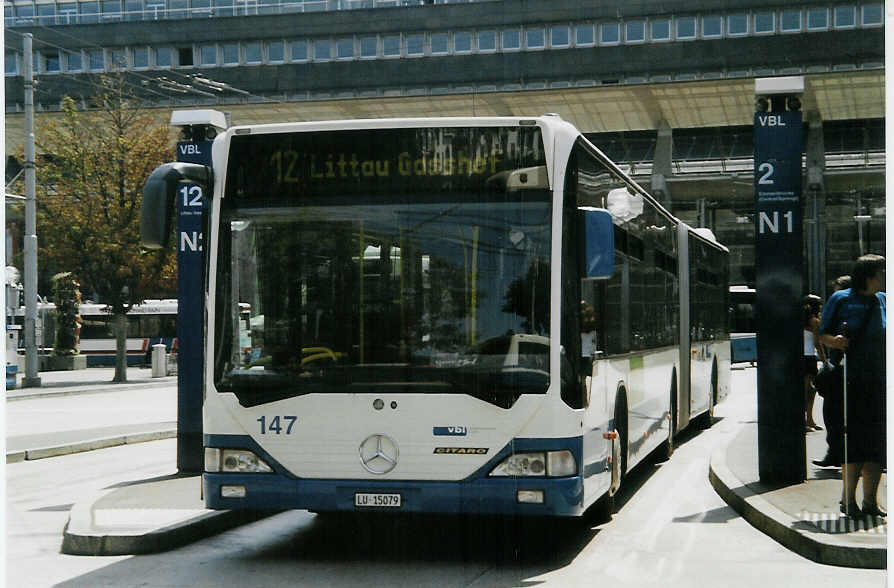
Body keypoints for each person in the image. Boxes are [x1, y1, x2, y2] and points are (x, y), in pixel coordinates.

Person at [818, 255, 886, 518]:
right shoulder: (842, 299)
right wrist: (835, 342)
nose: (885, 277)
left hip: (879, 382)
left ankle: (870, 502)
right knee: (854, 443)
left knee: (877, 445)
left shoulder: (883, 301)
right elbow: (822, 334)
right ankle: (848, 502)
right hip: (850, 382)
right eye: (882, 272)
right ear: (869, 276)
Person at [812, 275, 851, 468]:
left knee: (833, 413)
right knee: (834, 413)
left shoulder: (843, 309)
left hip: (843, 368)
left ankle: (838, 454)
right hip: (840, 367)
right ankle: (835, 453)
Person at [802, 294, 825, 431]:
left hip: (800, 357)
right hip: (809, 357)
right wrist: (824, 359)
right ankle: (808, 420)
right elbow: (817, 343)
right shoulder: (814, 321)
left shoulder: (799, 320)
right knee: (810, 391)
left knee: (806, 390)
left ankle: (807, 420)